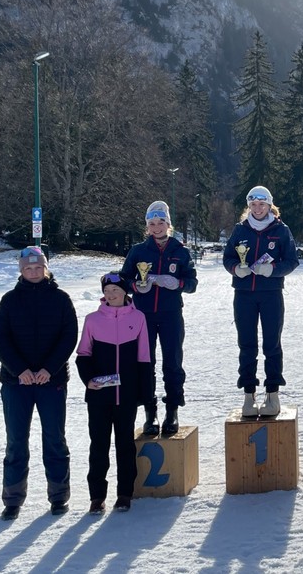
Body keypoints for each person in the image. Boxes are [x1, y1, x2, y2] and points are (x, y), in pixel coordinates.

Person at [0, 246, 78, 520]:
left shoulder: (61, 299)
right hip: (17, 382)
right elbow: (0, 339)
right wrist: (20, 370)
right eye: (28, 268)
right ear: (21, 270)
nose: (33, 272)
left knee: (54, 438)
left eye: (38, 267)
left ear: (46, 268)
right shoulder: (9, 300)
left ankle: (59, 496)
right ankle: (13, 499)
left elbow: (69, 336)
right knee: (16, 441)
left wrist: (49, 369)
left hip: (51, 381)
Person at [76, 272, 153, 514]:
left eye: (115, 291)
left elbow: (144, 357)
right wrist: (88, 380)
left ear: (124, 292)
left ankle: (124, 494)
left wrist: (146, 394)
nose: (111, 295)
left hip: (126, 395)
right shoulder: (92, 320)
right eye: (107, 291)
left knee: (125, 444)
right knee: (98, 445)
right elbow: (83, 354)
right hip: (99, 395)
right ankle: (97, 496)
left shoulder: (138, 318)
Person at [121, 200, 197, 436]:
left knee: (172, 363)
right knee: (146, 363)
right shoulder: (138, 251)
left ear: (168, 224)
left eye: (160, 222)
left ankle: (172, 410)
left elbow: (192, 283)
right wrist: (136, 286)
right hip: (142, 315)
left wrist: (178, 283)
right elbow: (123, 280)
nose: (156, 227)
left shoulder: (180, 251)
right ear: (147, 226)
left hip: (171, 315)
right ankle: (150, 411)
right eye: (152, 223)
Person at [223, 186, 300, 417]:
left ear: (269, 206)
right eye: (253, 205)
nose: (257, 209)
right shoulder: (240, 230)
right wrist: (236, 269)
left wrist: (272, 269)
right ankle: (249, 394)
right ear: (249, 206)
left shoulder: (281, 230)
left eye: (262, 204)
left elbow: (292, 261)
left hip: (271, 294)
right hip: (244, 294)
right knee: (246, 345)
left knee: (272, 344)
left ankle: (272, 394)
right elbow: (228, 258)